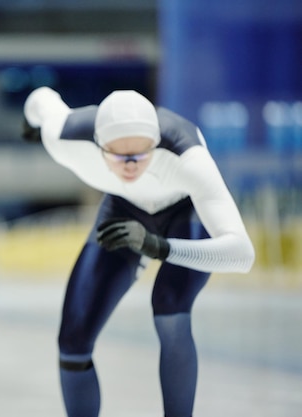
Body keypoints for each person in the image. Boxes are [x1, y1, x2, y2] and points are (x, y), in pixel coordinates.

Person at [22, 87, 255, 417]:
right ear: (98, 146)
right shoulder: (66, 139)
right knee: (73, 340)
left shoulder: (187, 156)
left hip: (184, 211)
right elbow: (42, 100)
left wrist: (159, 247)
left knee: (170, 309)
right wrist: (31, 122)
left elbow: (242, 253)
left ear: (157, 142)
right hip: (123, 208)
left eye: (142, 155)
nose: (131, 166)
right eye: (119, 156)